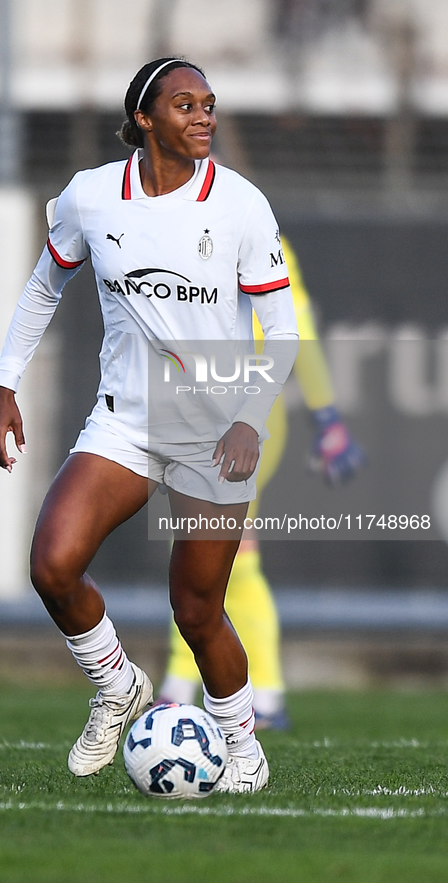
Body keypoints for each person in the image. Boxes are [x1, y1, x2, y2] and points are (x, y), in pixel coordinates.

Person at [0, 57, 299, 795]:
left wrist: (250, 418)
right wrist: (4, 383)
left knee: (196, 610)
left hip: (213, 432)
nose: (203, 117)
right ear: (144, 119)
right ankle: (116, 684)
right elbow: (42, 286)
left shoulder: (241, 205)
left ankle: (241, 746)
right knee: (51, 564)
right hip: (123, 423)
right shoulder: (91, 198)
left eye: (209, 105)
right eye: (184, 104)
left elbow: (279, 328)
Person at [157, 238, 366, 726]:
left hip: (248, 416)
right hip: (194, 409)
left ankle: (256, 693)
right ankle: (201, 686)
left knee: (231, 554)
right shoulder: (169, 231)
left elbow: (298, 328)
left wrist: (327, 416)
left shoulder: (258, 236)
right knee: (196, 547)